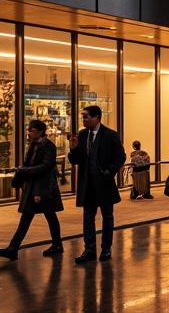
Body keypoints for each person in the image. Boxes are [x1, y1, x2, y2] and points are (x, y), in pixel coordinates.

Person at [68, 104, 126, 263]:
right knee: (88, 217)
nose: (83, 119)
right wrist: (73, 150)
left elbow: (120, 156)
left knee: (107, 217)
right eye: (83, 116)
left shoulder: (110, 135)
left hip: (104, 183)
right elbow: (76, 160)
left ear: (96, 117)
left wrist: (109, 172)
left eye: (86, 116)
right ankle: (89, 249)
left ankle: (106, 248)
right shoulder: (82, 135)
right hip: (87, 184)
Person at [0, 119, 64, 259]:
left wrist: (35, 188)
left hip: (42, 188)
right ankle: (56, 244)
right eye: (29, 130)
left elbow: (45, 169)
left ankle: (13, 248)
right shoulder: (35, 145)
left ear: (41, 132)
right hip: (35, 187)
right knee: (43, 216)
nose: (29, 133)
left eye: (32, 131)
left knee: (39, 216)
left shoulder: (48, 146)